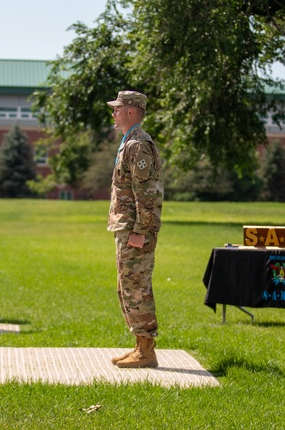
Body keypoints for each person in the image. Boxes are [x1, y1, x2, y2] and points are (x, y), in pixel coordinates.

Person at [106, 90, 163, 369]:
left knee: (137, 288)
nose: (114, 114)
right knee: (128, 287)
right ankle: (140, 345)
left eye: (117, 109)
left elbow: (145, 193)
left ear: (131, 111)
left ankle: (147, 351)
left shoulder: (138, 144)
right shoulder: (129, 142)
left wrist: (141, 230)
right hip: (127, 227)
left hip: (135, 230)